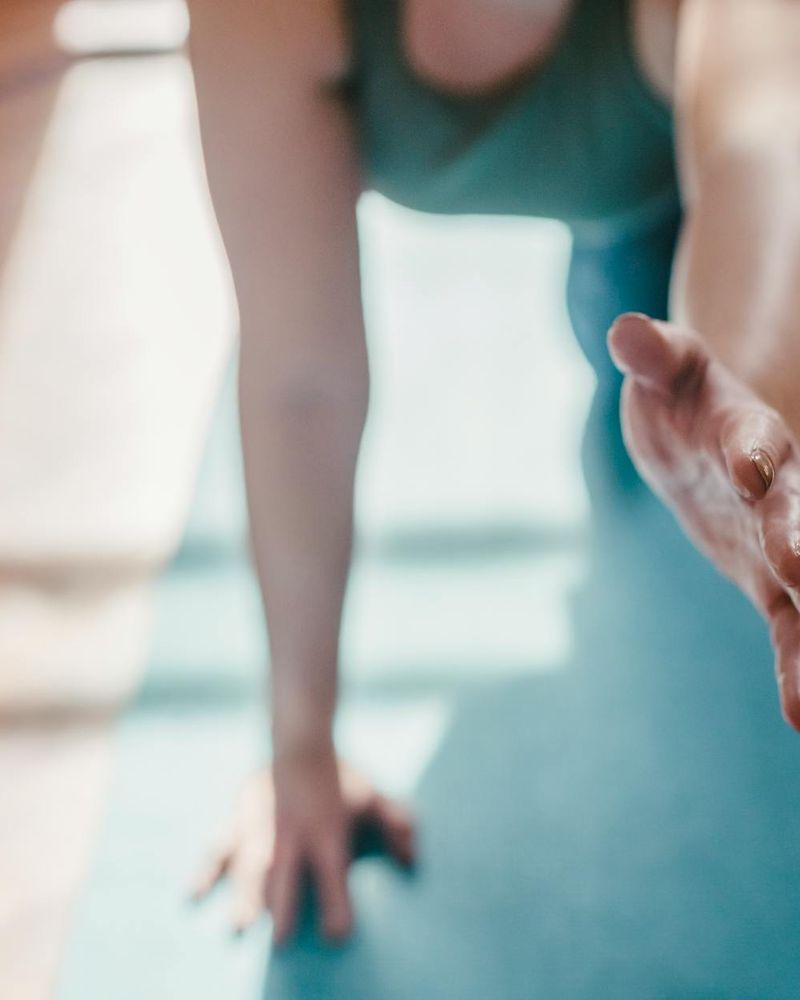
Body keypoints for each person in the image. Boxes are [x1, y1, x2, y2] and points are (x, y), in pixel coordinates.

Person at [185, 0, 800, 947]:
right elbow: (302, 381)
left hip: (677, 206)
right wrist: (300, 746)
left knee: (641, 326)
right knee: (617, 333)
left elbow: (764, 167)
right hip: (625, 199)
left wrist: (758, 431)